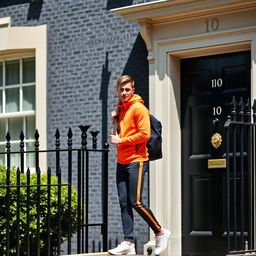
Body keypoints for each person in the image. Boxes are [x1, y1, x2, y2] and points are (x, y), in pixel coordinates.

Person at [108, 75, 170, 255]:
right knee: (123, 202)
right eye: (122, 90)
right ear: (117, 91)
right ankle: (128, 243)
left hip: (137, 159)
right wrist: (115, 120)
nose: (125, 92)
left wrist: (122, 139)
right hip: (122, 161)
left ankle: (160, 231)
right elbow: (120, 133)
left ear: (132, 90)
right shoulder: (121, 109)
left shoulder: (138, 108)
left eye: (128, 89)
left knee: (136, 202)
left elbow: (144, 135)